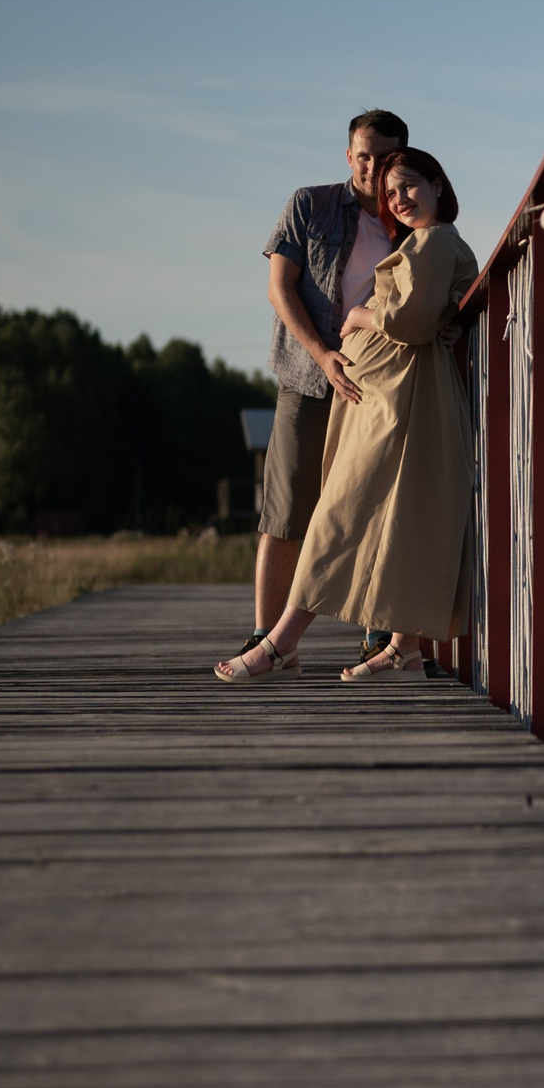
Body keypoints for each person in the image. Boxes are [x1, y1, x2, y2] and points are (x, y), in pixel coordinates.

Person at [217, 149, 477, 684]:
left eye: (409, 186)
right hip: (392, 399)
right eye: (391, 193)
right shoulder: (426, 243)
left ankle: (279, 642)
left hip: (398, 404)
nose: (400, 199)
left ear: (436, 184)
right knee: (401, 518)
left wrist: (357, 314)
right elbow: (441, 310)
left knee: (338, 515)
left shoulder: (433, 241)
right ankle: (403, 650)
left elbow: (408, 322)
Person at [244, 109, 409, 671]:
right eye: (362, 155)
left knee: (372, 510)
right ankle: (267, 639)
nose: (371, 167)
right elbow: (278, 288)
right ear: (347, 155)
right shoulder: (309, 205)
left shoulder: (411, 217)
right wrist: (323, 355)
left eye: (384, 157)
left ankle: (379, 639)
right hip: (309, 379)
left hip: (377, 388)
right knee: (287, 513)